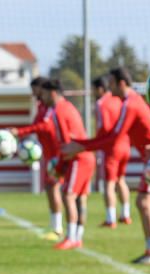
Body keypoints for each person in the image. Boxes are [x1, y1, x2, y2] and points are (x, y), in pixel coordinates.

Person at [61, 67, 150, 265]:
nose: (107, 87)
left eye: (111, 83)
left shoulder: (131, 104)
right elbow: (112, 135)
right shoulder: (128, 102)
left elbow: (113, 137)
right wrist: (84, 144)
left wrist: (82, 146)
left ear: (121, 83)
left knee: (145, 202)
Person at [13, 79, 95, 250]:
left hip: (77, 157)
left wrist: (58, 166)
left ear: (52, 93)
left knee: (68, 195)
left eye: (43, 93)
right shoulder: (65, 108)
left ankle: (71, 237)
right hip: (81, 156)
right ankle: (77, 237)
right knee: (79, 198)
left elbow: (65, 141)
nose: (40, 96)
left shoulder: (59, 111)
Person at [11, 77, 63, 242]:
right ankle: (54, 224)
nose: (33, 94)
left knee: (55, 189)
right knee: (49, 188)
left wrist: (19, 132)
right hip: (47, 154)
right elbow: (36, 126)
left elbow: (44, 126)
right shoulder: (41, 106)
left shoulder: (50, 108)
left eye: (35, 90)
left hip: (56, 154)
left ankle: (59, 228)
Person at [93, 75, 133, 228]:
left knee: (109, 183)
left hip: (111, 147)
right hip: (125, 144)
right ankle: (125, 214)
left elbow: (104, 127)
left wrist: (95, 143)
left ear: (99, 89)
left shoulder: (101, 103)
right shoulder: (118, 100)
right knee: (121, 180)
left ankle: (111, 218)